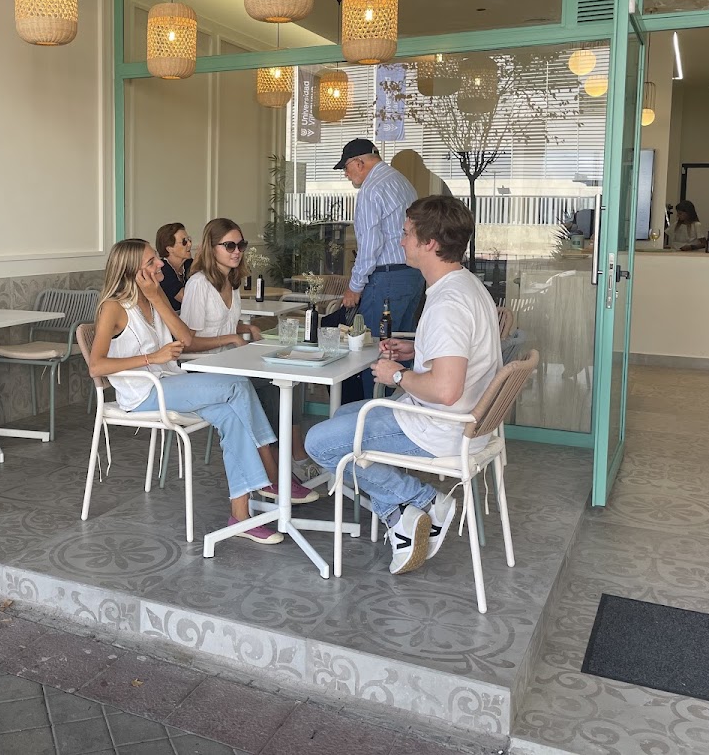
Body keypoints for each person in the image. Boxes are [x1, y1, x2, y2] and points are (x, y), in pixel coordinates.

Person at [303, 196, 504, 576]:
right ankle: (400, 515)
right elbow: (457, 357)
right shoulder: (466, 285)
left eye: (407, 234)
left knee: (320, 443)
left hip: (441, 426)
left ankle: (421, 502)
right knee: (346, 415)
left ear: (430, 243)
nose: (401, 241)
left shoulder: (447, 304)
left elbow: (446, 391)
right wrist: (416, 352)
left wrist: (396, 375)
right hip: (466, 423)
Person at [87, 238, 290, 544]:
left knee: (231, 414)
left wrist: (156, 298)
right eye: (151, 262)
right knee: (237, 384)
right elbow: (96, 366)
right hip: (144, 394)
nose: (160, 264)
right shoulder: (113, 307)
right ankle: (271, 471)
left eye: (157, 259)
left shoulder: (154, 296)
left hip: (169, 381)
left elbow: (185, 338)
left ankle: (241, 516)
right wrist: (152, 358)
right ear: (132, 271)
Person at [181, 218, 316, 505]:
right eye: (229, 245)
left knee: (279, 384)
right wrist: (232, 338)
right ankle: (275, 476)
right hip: (201, 367)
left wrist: (247, 328)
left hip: (229, 361)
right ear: (212, 248)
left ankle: (281, 468)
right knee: (263, 388)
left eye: (240, 245)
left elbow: (221, 325)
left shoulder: (230, 281)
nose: (237, 251)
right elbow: (188, 341)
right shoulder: (198, 284)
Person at [335, 138, 426, 398]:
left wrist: (354, 287)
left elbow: (370, 245)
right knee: (401, 349)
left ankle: (371, 412)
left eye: (346, 167)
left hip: (386, 279)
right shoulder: (401, 181)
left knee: (373, 351)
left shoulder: (371, 188)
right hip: (412, 274)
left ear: (359, 163)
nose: (346, 174)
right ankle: (401, 407)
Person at [155, 222, 194, 310]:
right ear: (169, 249)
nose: (189, 244)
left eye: (189, 240)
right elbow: (185, 298)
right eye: (184, 242)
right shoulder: (162, 270)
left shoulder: (189, 263)